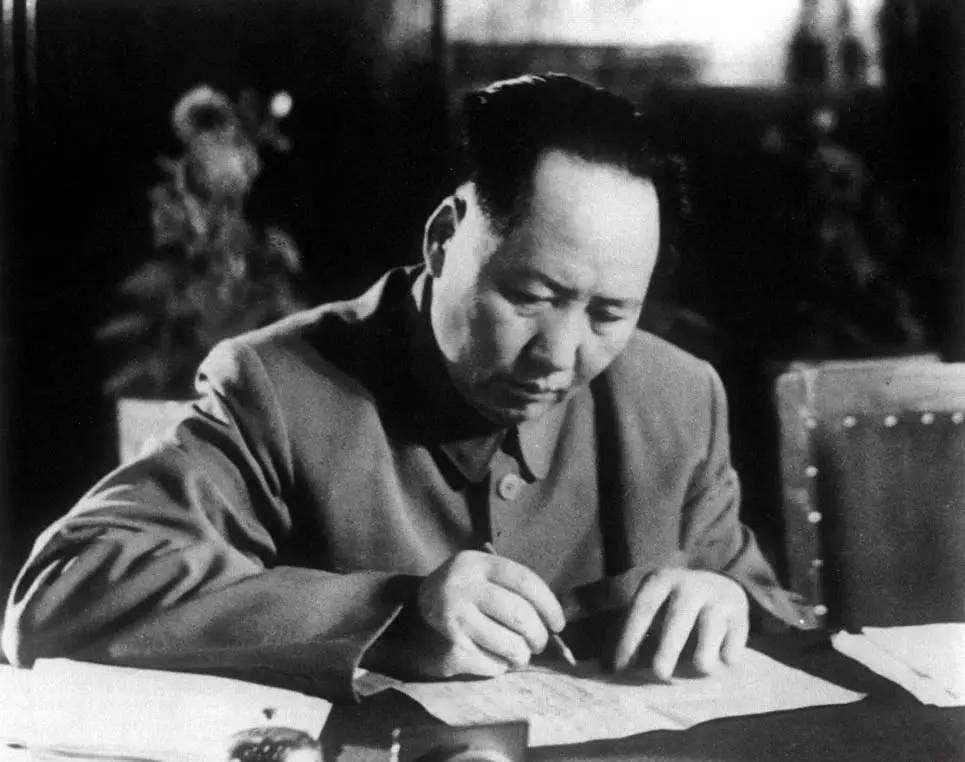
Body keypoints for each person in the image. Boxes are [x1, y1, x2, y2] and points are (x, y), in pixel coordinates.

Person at [2, 74, 812, 701]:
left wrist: (726, 603)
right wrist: (387, 616)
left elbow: (769, 610)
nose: (559, 356)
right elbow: (54, 598)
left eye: (609, 313)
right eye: (531, 296)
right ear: (442, 238)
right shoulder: (279, 386)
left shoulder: (679, 397)